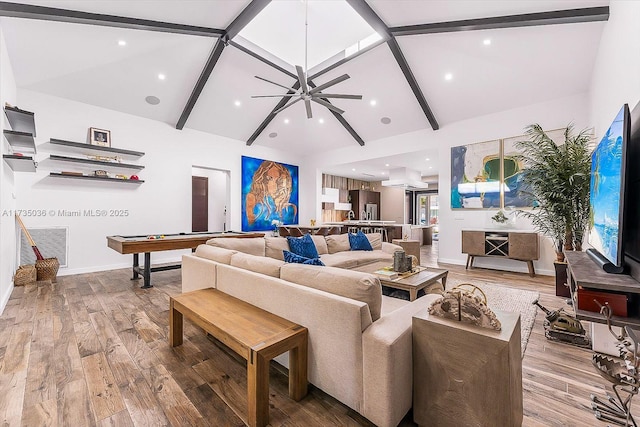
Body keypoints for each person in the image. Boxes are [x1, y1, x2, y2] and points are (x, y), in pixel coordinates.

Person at [245, 160, 297, 227]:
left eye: (279, 180)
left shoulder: (290, 208)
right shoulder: (252, 199)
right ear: (263, 180)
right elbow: (250, 225)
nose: (275, 184)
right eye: (270, 178)